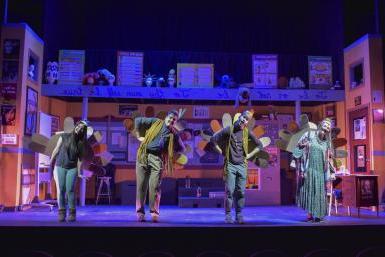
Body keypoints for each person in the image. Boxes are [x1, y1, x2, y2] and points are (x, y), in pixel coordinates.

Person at [211, 110, 263, 224]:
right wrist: (221, 151)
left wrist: (249, 155)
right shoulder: (229, 130)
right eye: (243, 117)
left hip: (242, 166)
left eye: (246, 120)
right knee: (229, 191)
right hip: (230, 164)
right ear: (240, 117)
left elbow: (260, 145)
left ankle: (239, 214)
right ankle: (228, 214)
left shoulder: (246, 132)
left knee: (241, 192)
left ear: (247, 122)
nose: (244, 120)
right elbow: (213, 139)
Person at [134, 110, 185, 222]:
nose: (171, 120)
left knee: (155, 187)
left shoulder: (173, 134)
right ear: (166, 117)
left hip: (157, 159)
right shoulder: (155, 122)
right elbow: (138, 120)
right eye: (170, 117)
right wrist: (139, 136)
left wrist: (170, 152)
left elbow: (182, 148)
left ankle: (154, 213)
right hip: (143, 155)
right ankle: (140, 213)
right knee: (141, 186)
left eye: (174, 120)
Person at [293, 118, 335, 223]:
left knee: (319, 192)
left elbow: (329, 158)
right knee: (310, 191)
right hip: (310, 168)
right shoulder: (310, 135)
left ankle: (318, 215)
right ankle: (310, 214)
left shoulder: (327, 142)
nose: (326, 127)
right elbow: (298, 147)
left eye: (328, 126)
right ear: (320, 124)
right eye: (325, 124)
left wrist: (332, 172)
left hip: (321, 170)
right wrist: (303, 145)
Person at [50, 120, 90, 222]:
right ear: (76, 126)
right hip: (60, 166)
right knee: (61, 190)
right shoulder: (64, 136)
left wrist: (79, 172)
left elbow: (80, 159)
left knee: (70, 190)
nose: (79, 129)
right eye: (78, 126)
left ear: (83, 131)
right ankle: (62, 212)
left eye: (82, 128)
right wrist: (50, 162)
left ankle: (72, 214)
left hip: (72, 168)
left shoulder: (81, 143)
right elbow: (56, 149)